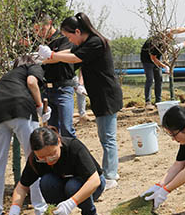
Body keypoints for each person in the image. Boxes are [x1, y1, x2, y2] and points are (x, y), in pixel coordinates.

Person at [38, 12, 123, 190]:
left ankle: (110, 175)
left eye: (69, 37)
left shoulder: (95, 42)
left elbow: (76, 57)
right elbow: (70, 52)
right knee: (105, 136)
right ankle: (110, 172)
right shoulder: (87, 43)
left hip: (106, 95)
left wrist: (52, 55)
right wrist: (48, 57)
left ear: (77, 31)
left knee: (107, 137)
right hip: (99, 95)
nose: (69, 40)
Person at [0, 54, 51, 215]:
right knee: (36, 159)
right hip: (21, 109)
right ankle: (41, 211)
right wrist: (40, 107)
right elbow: (32, 83)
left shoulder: (8, 76)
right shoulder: (31, 67)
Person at [6, 126, 106, 215]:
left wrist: (70, 203)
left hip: (90, 187)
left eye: (52, 154)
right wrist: (15, 208)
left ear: (59, 142)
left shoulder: (73, 147)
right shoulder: (35, 160)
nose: (48, 160)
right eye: (42, 157)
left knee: (72, 185)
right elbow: (22, 187)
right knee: (46, 181)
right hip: (65, 188)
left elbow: (95, 180)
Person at [34, 14, 77, 138]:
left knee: (66, 128)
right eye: (36, 30)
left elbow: (60, 57)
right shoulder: (39, 41)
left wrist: (43, 59)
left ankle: (72, 150)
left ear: (50, 23)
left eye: (42, 29)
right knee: (52, 131)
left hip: (63, 88)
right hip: (46, 90)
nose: (39, 32)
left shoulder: (64, 38)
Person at [140, 34, 170, 106]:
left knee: (159, 79)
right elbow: (153, 58)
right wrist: (164, 66)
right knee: (150, 79)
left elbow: (164, 53)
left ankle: (158, 101)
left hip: (156, 59)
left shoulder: (165, 42)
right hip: (147, 61)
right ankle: (148, 102)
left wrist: (166, 62)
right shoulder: (155, 42)